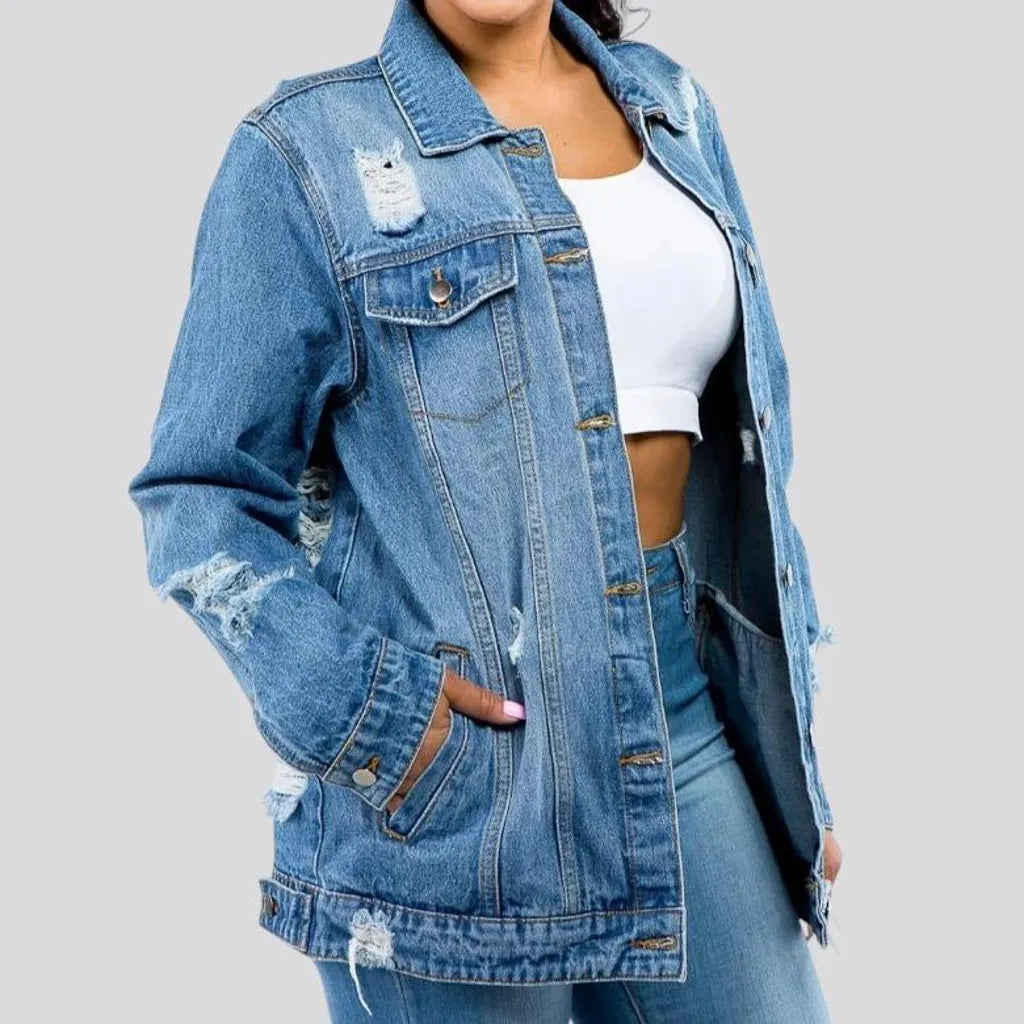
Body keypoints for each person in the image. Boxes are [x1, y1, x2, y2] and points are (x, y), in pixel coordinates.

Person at [127, 0, 842, 1019]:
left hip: (683, 716)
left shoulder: (673, 105)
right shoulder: (306, 152)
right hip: (461, 779)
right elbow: (201, 492)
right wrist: (374, 713)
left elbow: (752, 453)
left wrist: (789, 762)